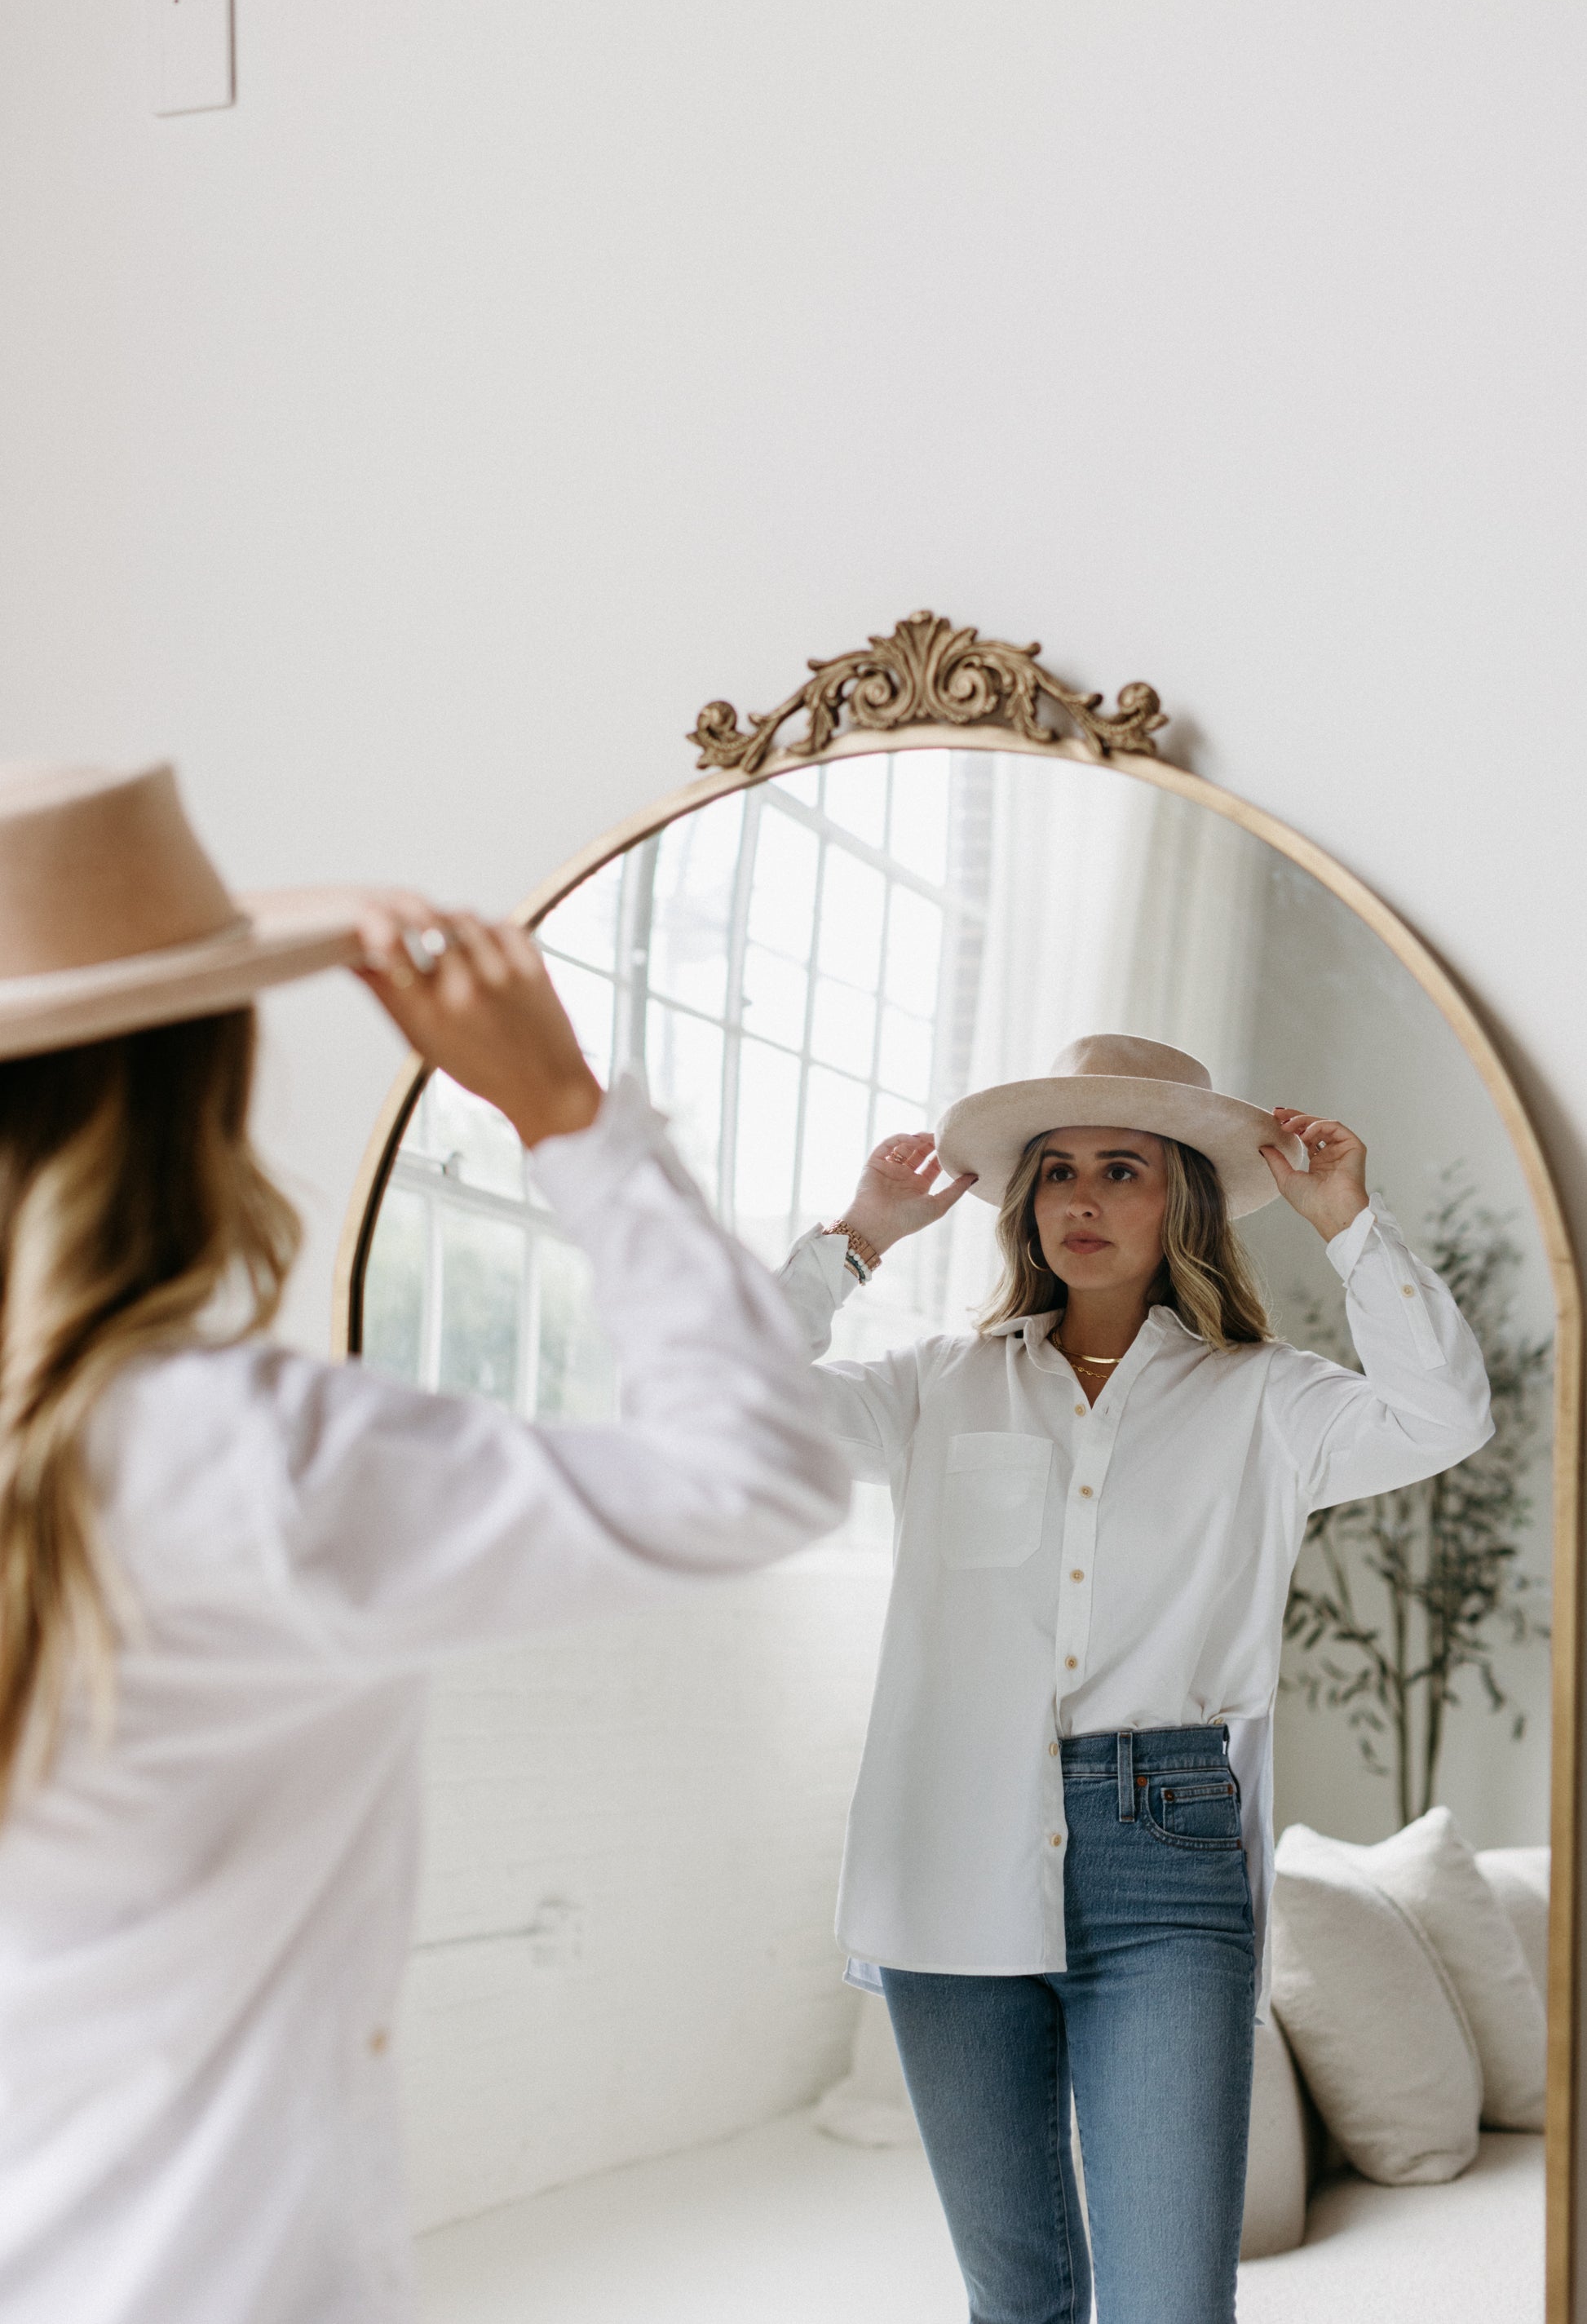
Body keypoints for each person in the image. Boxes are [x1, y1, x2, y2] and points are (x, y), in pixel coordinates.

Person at [0, 763, 850, 2324]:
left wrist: (247, 932)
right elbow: (760, 1473)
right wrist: (568, 1116)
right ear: (197, 1091)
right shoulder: (252, 1464)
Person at [777, 1033, 1493, 2324]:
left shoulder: (1267, 1401)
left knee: (1170, 2302)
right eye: (1056, 1171)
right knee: (1020, 2303)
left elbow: (1441, 1414)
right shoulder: (939, 1388)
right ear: (1023, 1205)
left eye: (1123, 1169)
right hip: (950, 1834)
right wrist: (856, 1237)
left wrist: (1347, 1225)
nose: (1083, 1199)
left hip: (1163, 1843)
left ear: (1186, 1203)